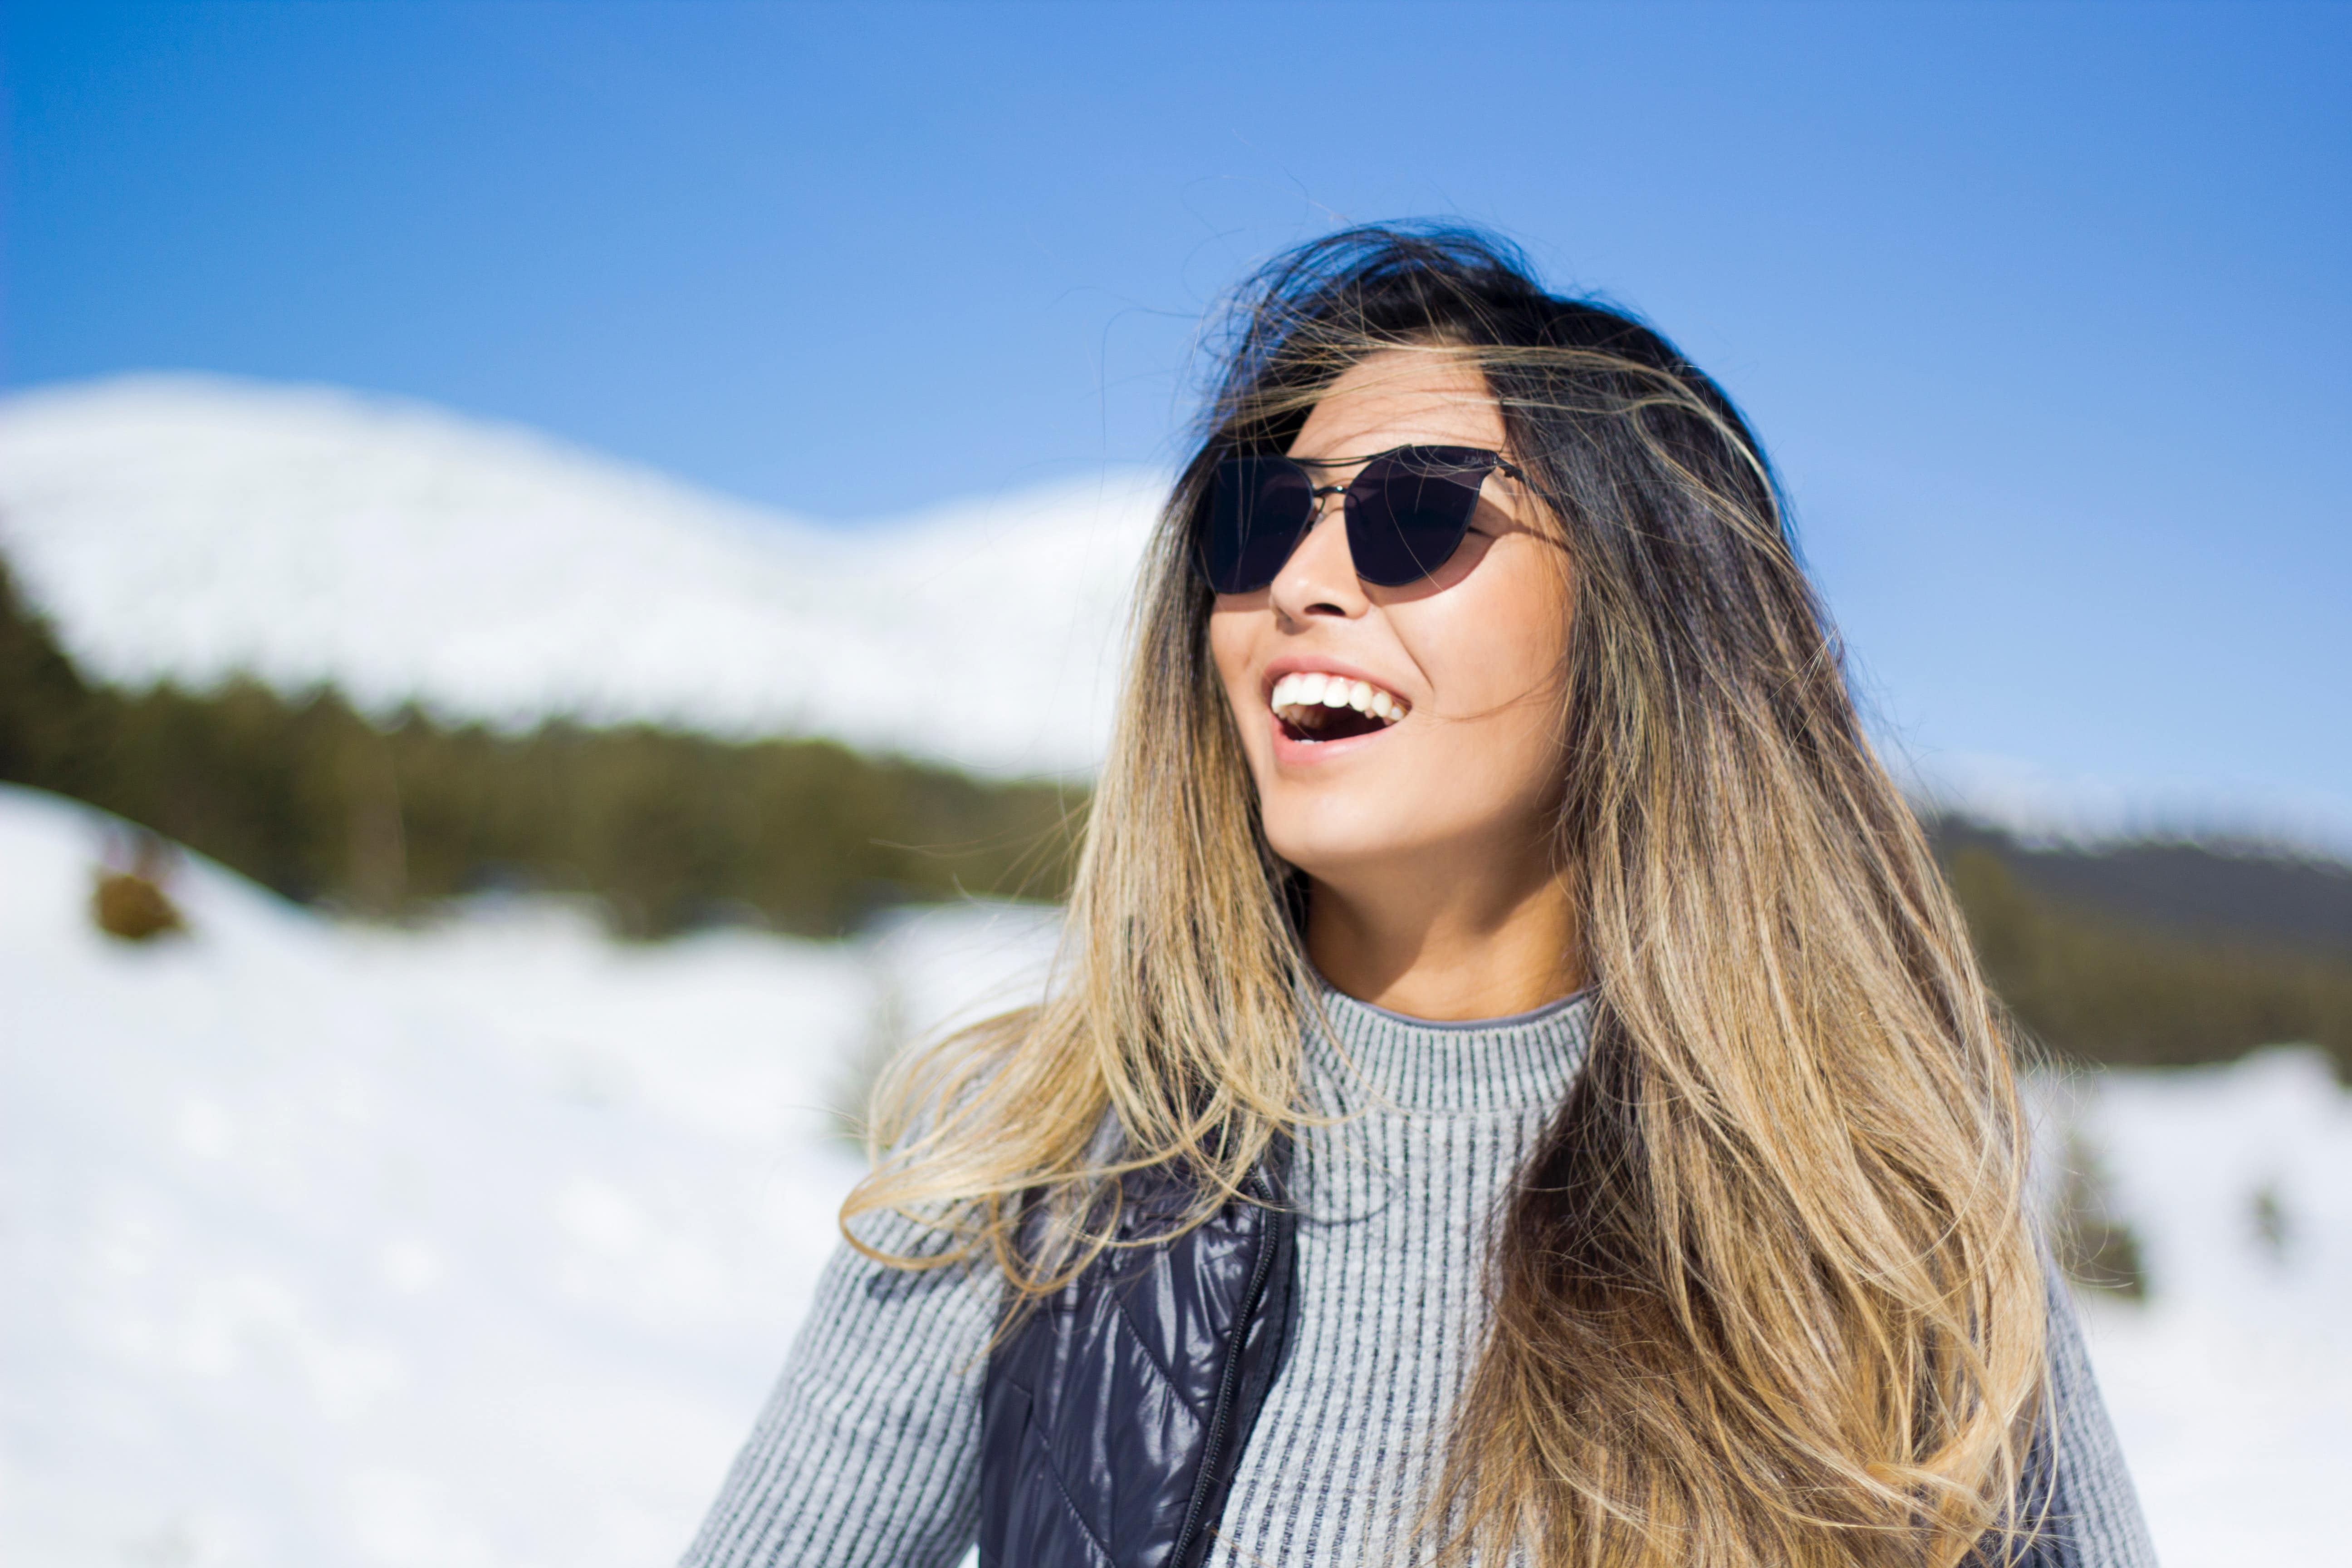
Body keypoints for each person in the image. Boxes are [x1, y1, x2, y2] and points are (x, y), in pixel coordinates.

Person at [682, 227, 2156, 1568]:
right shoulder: (1036, 1174)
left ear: (1649, 618)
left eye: (1416, 514)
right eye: (1257, 521)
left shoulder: (1878, 1250)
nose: (1305, 580)